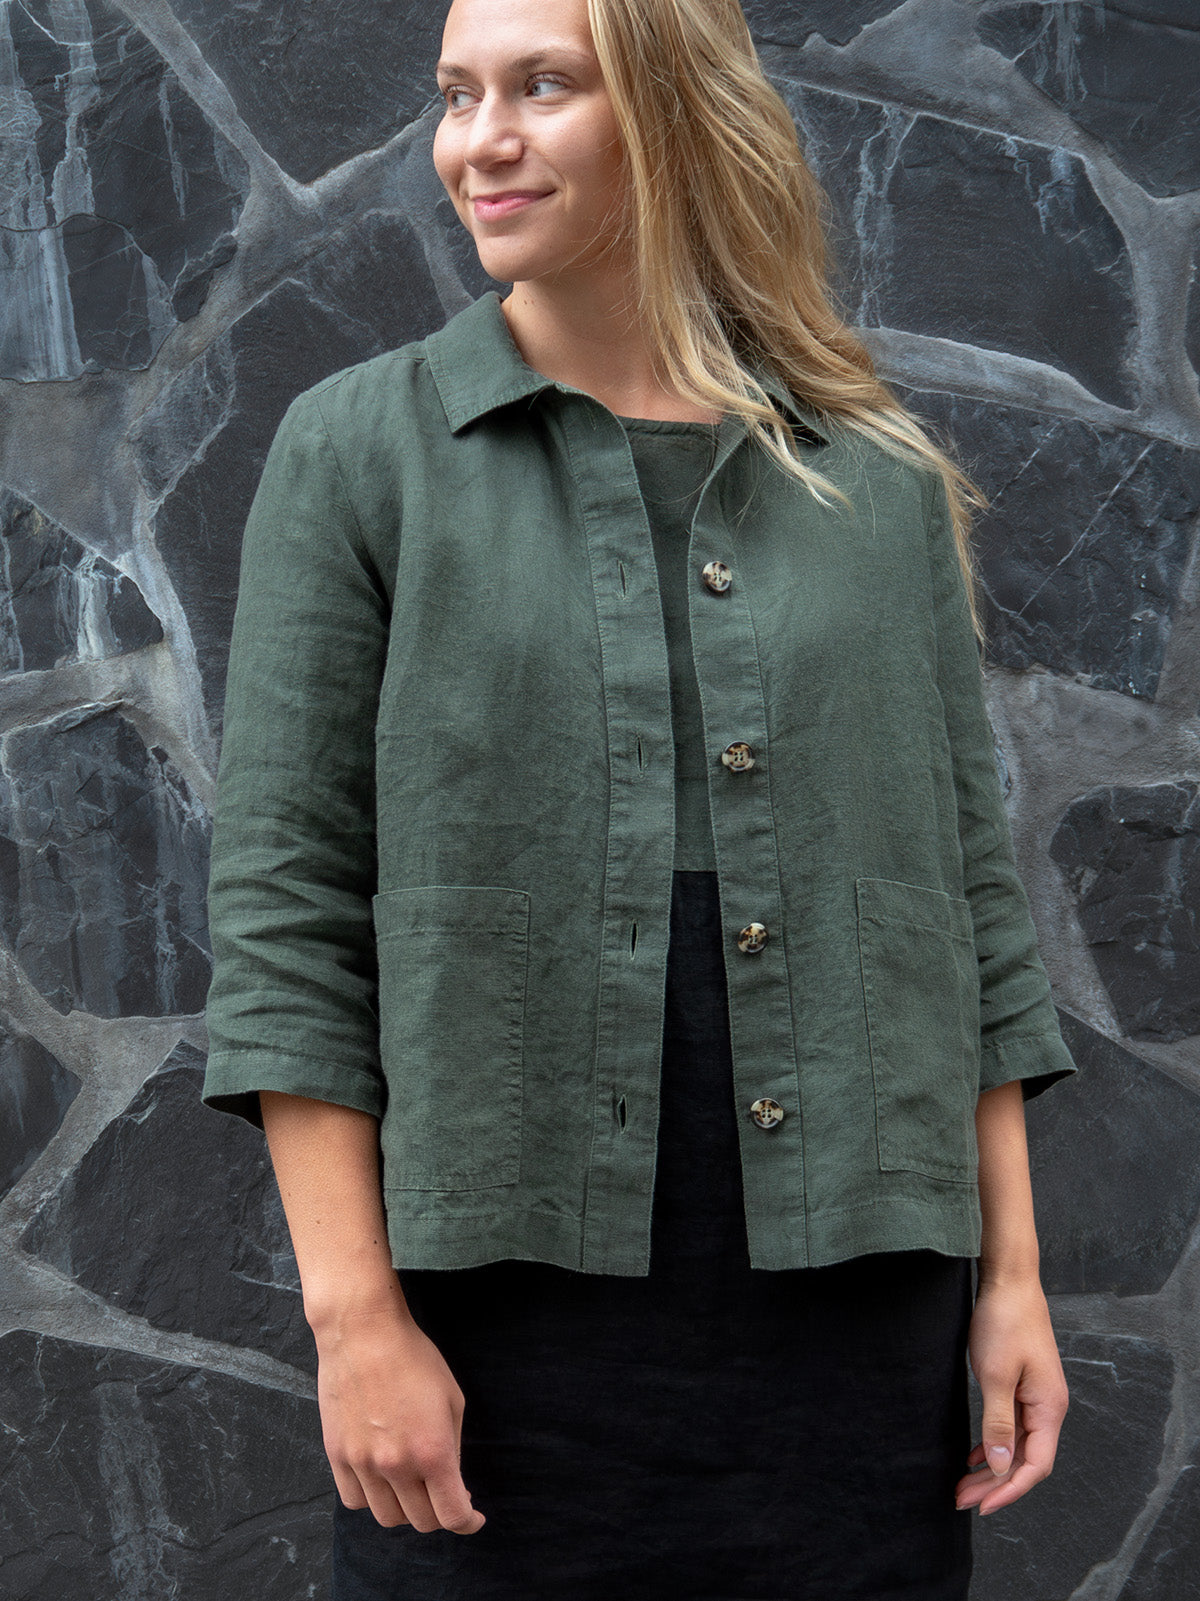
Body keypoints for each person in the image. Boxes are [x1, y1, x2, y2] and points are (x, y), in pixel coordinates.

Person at [200, 0, 1080, 1595]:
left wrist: (1012, 1278)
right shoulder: (359, 452)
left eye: (542, 86)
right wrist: (356, 1316)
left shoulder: (872, 476)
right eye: (457, 95)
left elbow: (964, 901)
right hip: (492, 1324)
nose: (481, 141)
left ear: (672, 111)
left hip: (853, 1328)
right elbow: (288, 910)